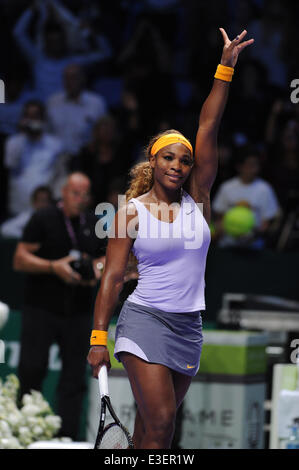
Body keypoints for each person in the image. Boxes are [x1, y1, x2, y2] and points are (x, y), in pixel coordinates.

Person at [87, 28, 254, 449]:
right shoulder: (130, 211)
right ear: (153, 161)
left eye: (185, 159)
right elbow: (111, 277)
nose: (178, 165)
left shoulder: (200, 198)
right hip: (144, 320)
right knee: (162, 424)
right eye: (168, 157)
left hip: (188, 327)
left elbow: (209, 124)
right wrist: (98, 338)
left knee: (151, 432)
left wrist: (225, 69)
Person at [13, 172, 106, 440]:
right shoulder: (43, 217)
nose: (80, 199)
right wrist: (54, 267)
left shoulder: (94, 222)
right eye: (75, 192)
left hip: (78, 311)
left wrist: (94, 271)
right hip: (41, 308)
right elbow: (20, 259)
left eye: (85, 194)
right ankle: (23, 433)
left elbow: (107, 260)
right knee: (31, 370)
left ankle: (67, 437)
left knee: (74, 379)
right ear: (63, 192)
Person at [4, 99, 64, 216]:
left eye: (35, 116)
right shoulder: (14, 142)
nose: (32, 120)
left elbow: (59, 175)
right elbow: (10, 163)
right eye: (28, 116)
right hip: (19, 202)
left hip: (44, 203)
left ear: (43, 119)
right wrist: (23, 134)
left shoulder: (56, 144)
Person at [212, 147, 280, 248]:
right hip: (227, 246)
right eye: (250, 165)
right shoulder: (227, 187)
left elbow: (268, 222)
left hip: (254, 248)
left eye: (256, 165)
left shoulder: (265, 189)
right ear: (240, 166)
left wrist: (255, 233)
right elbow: (218, 216)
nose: (254, 169)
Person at [46, 64, 107, 156]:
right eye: (66, 78)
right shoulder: (52, 102)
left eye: (74, 77)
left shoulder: (96, 103)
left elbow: (103, 133)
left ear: (83, 79)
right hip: (57, 156)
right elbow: (46, 132)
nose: (70, 81)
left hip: (87, 156)